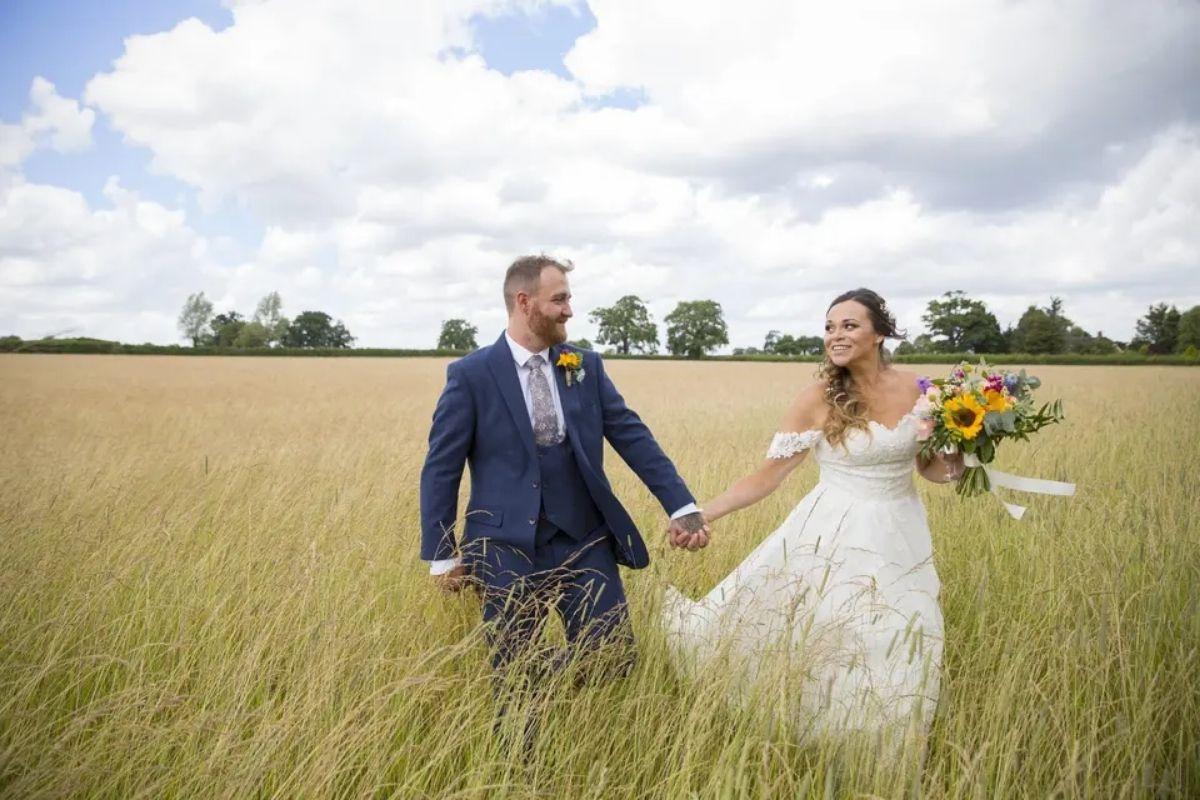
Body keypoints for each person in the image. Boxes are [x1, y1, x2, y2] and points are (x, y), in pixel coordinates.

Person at [420, 255, 709, 739]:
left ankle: (536, 676)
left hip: (583, 537)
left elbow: (630, 434)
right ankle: (521, 767)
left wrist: (682, 505)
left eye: (569, 298)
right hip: (502, 545)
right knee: (513, 672)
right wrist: (440, 554)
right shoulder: (470, 375)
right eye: (560, 299)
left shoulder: (584, 365)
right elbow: (441, 468)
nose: (569, 310)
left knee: (612, 654)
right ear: (524, 302)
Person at [663, 288, 962, 748]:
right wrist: (702, 514)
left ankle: (891, 744)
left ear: (880, 333)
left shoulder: (922, 390)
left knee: (904, 629)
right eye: (829, 327)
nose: (835, 335)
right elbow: (767, 477)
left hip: (901, 530)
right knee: (841, 633)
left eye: (849, 325)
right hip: (834, 532)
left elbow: (931, 469)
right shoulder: (818, 396)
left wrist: (962, 457)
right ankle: (827, 737)